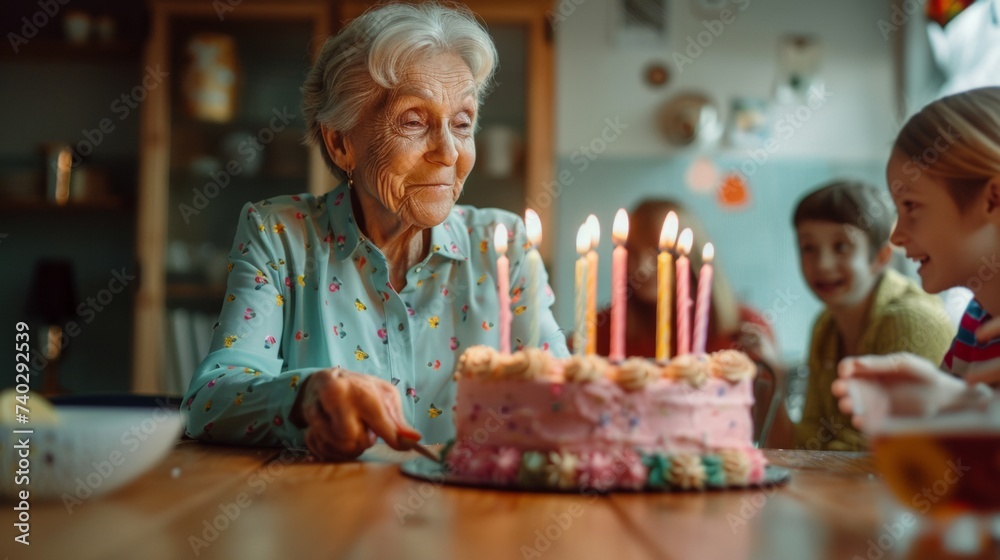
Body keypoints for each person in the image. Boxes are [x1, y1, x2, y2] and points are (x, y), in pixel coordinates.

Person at [181, 3, 568, 461]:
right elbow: (211, 401)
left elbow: (561, 399)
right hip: (329, 513)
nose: (448, 152)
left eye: (462, 123)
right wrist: (305, 397)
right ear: (341, 142)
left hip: (470, 515)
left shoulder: (503, 247)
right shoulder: (281, 235)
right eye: (414, 121)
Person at [833, 86, 1000, 425]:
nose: (896, 236)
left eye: (911, 206)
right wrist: (937, 410)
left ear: (994, 199)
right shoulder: (976, 322)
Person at [766, 180, 954, 450]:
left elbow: (885, 448)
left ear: (881, 256)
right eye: (808, 247)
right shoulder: (825, 325)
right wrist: (770, 384)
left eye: (841, 246)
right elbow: (806, 442)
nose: (823, 264)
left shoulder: (911, 320)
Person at [594, 199, 780, 372]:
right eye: (632, 251)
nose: (641, 267)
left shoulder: (745, 328)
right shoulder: (604, 329)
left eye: (659, 252)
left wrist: (770, 365)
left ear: (693, 257)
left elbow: (770, 403)